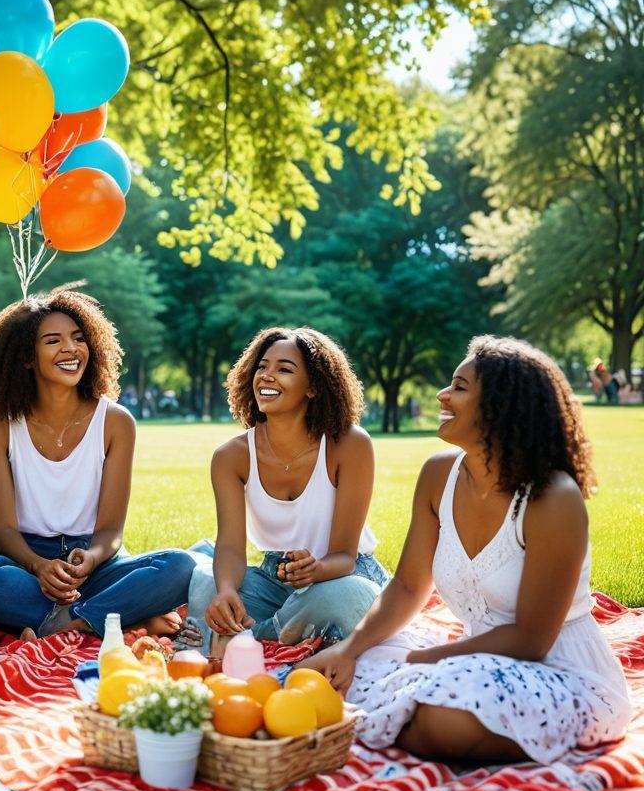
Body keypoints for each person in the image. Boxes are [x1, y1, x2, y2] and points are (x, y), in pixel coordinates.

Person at [300, 336, 631, 764]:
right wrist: (349, 649)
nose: (442, 394)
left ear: (500, 406)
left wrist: (422, 661)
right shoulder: (439, 475)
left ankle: (411, 720)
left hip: (559, 671)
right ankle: (406, 717)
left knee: (442, 720)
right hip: (470, 659)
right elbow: (405, 587)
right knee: (326, 670)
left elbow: (530, 640)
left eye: (459, 386)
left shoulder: (552, 498)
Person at [0, 289, 196, 638]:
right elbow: (3, 531)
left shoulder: (116, 421)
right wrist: (39, 566)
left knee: (180, 565)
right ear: (25, 358)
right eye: (53, 341)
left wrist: (92, 559)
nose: (71, 348)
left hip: (94, 562)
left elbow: (111, 531)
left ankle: (66, 622)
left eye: (79, 338)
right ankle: (109, 615)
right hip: (25, 562)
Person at [185, 327, 389, 655]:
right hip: (274, 578)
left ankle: (254, 637)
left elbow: (344, 557)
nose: (266, 377)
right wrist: (225, 591)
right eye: (262, 367)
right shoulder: (231, 457)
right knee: (204, 578)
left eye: (284, 369)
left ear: (313, 387)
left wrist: (316, 570)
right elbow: (232, 548)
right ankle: (284, 632)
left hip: (340, 576)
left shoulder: (350, 445)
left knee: (351, 600)